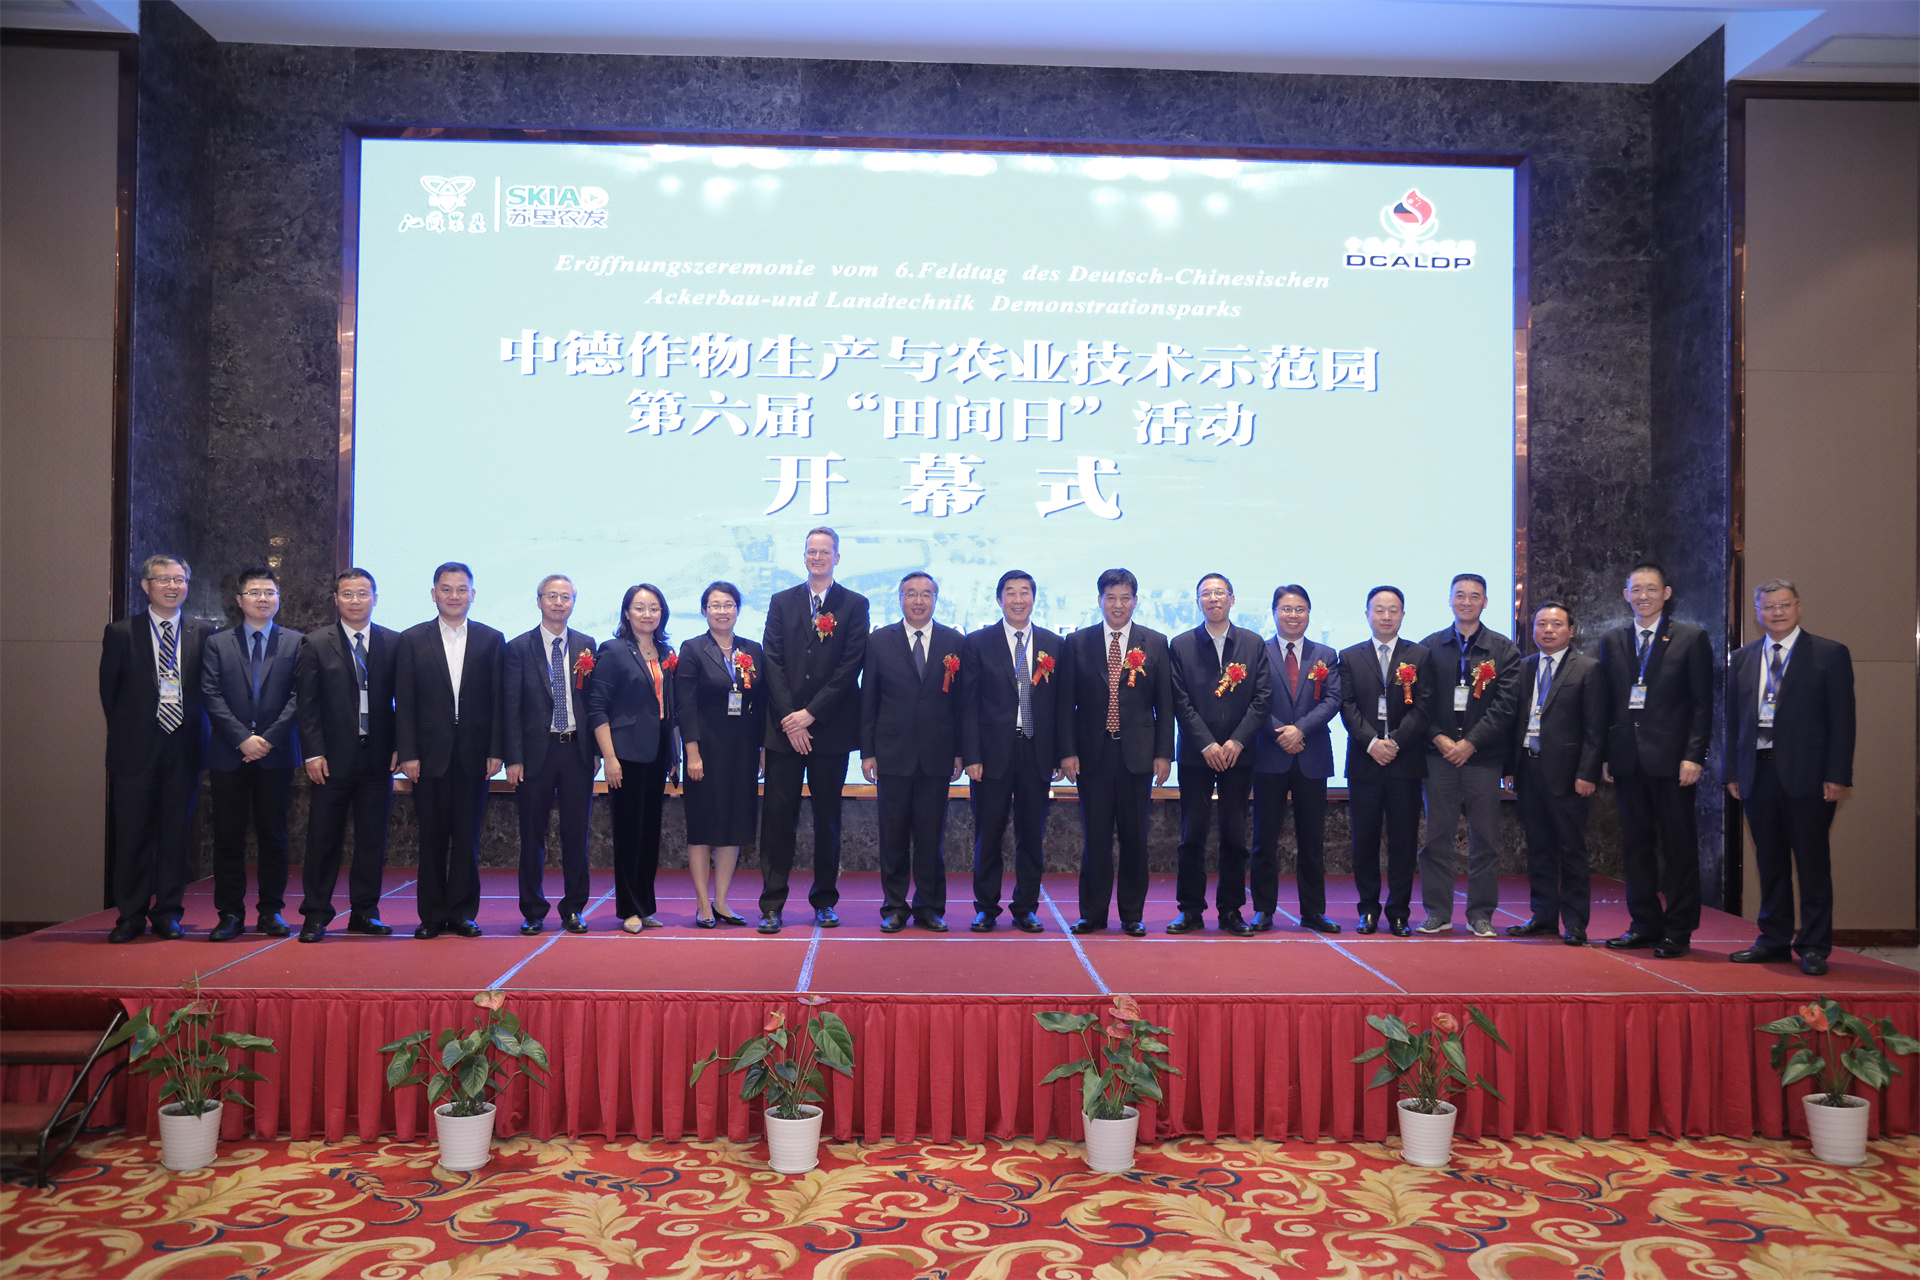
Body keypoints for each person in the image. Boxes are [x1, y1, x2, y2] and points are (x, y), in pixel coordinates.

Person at [1725, 579, 1855, 976]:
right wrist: (1733, 771)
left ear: (1798, 607)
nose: (1776, 613)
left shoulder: (1829, 653)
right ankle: (1774, 940)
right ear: (1757, 613)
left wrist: (1837, 774)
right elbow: (1734, 722)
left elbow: (1843, 721)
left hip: (1810, 777)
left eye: (1784, 605)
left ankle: (1814, 946)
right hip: (1757, 774)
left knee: (1812, 864)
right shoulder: (1743, 658)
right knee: (1770, 863)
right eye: (1768, 607)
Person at [758, 527, 870, 934]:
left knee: (828, 820)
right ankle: (772, 905)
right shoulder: (781, 601)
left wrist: (810, 715)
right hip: (783, 731)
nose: (817, 558)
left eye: (825, 552)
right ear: (804, 556)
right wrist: (791, 718)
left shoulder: (854, 604)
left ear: (837, 557)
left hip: (830, 731)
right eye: (811, 551)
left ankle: (824, 901)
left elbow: (850, 666)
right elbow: (771, 660)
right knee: (777, 820)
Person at [1599, 562, 1712, 959]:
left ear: (1666, 593)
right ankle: (1644, 924)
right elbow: (1609, 704)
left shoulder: (1691, 638)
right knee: (1636, 846)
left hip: (1674, 763)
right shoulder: (1612, 640)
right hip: (1627, 761)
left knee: (1678, 848)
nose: (1643, 595)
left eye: (1651, 588)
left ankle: (1678, 930)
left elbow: (1702, 705)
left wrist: (1693, 756)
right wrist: (1607, 755)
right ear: (1626, 595)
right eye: (1636, 589)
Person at [99, 555, 213, 942]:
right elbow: (109, 693)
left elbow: (209, 691)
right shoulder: (121, 632)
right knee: (132, 836)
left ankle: (168, 913)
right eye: (163, 579)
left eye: (179, 579)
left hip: (184, 748)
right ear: (146, 586)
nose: (172, 586)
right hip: (136, 751)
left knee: (175, 835)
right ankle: (130, 916)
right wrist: (134, 731)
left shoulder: (204, 632)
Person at [1059, 568, 1174, 936]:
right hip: (1091, 755)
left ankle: (1131, 914)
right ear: (1100, 601)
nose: (1118, 605)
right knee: (1095, 838)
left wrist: (1164, 753)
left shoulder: (1155, 642)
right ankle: (1092, 914)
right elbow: (1065, 705)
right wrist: (1067, 752)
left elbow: (1165, 705)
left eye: (1125, 598)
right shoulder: (1077, 642)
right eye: (1111, 597)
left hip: (1137, 756)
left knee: (1134, 838)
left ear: (1135, 601)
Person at [395, 562, 504, 940]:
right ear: (433, 594)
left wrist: (496, 750)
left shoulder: (492, 639)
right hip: (428, 756)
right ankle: (431, 915)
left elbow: (498, 701)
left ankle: (462, 913)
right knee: (431, 839)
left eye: (461, 589)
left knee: (467, 839)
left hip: (475, 755)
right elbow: (404, 702)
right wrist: (407, 753)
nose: (454, 596)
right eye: (446, 589)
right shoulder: (411, 639)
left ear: (473, 594)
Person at [295, 569, 399, 942]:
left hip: (378, 757)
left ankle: (365, 913)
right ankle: (315, 915)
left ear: (375, 598)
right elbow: (307, 705)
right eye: (348, 594)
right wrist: (312, 753)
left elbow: (403, 701)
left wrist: (400, 745)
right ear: (336, 599)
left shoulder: (393, 642)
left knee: (372, 840)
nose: (356, 600)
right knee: (323, 839)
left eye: (363, 593)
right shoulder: (315, 643)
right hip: (332, 759)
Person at [1415, 573, 1521, 938]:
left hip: (1483, 758)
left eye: (1474, 596)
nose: (1466, 602)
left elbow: (1506, 705)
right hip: (1438, 756)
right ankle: (1437, 912)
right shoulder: (1429, 647)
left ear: (1485, 602)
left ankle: (1480, 914)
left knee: (1486, 840)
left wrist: (1471, 743)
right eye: (1459, 595)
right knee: (1437, 840)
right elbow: (1419, 702)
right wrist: (1440, 739)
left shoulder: (1503, 649)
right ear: (1449, 600)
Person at [200, 566, 302, 941]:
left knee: (274, 836)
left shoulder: (296, 643)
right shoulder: (217, 643)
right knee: (228, 836)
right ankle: (229, 913)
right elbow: (210, 694)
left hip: (276, 754)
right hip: (229, 753)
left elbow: (300, 696)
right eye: (255, 592)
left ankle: (271, 911)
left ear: (278, 599)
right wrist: (243, 738)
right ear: (239, 600)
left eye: (270, 592)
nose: (263, 599)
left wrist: (267, 739)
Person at [960, 569, 1064, 934]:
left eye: (1024, 592)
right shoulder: (977, 642)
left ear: (1034, 598)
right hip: (990, 756)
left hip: (1037, 752)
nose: (1018, 600)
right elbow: (968, 705)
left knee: (1031, 836)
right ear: (999, 598)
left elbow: (1061, 706)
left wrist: (1060, 755)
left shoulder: (1054, 643)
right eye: (1010, 592)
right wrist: (971, 756)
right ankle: (986, 907)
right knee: (988, 834)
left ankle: (1025, 907)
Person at [1167, 573, 1271, 936]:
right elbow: (1180, 701)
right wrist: (1207, 744)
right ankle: (1190, 910)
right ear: (1197, 602)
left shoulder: (1253, 643)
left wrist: (1237, 741)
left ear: (1232, 599)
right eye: (1206, 594)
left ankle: (1231, 910)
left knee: (1234, 835)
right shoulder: (1181, 645)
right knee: (1191, 835)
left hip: (1239, 755)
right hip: (1197, 754)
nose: (1213, 599)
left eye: (1219, 592)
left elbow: (1262, 698)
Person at [860, 571, 964, 932]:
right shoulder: (878, 641)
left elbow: (961, 703)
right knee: (893, 836)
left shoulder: (955, 641)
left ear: (936, 599)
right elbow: (869, 699)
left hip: (937, 754)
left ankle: (930, 907)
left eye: (926, 594)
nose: (918, 600)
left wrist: (960, 752)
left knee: (931, 837)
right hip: (892, 753)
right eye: (911, 594)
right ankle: (894, 906)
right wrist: (868, 751)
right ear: (900, 598)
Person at [1503, 601, 1606, 945]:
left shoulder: (1588, 668)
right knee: (1538, 848)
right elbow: (1515, 722)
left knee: (1571, 850)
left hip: (1569, 774)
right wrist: (1510, 768)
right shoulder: (1524, 667)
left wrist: (1587, 773)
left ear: (1571, 630)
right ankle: (1543, 917)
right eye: (1542, 624)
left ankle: (1575, 922)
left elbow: (1595, 727)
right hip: (1528, 768)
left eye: (1556, 624)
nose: (1548, 630)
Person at [503, 575, 598, 936]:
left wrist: (596, 751)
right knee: (532, 836)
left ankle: (574, 908)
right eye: (552, 596)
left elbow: (593, 703)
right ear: (539, 600)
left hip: (577, 751)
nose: (559, 603)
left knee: (576, 835)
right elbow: (511, 707)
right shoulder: (518, 647)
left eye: (566, 597)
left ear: (574, 602)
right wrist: (513, 758)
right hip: (534, 755)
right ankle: (533, 910)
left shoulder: (587, 645)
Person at [1339, 586, 1433, 937]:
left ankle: (1398, 912)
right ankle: (1367, 910)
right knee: (1364, 840)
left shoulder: (1419, 655)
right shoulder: (1349, 656)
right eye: (1379, 609)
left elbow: (1423, 706)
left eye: (1393, 610)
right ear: (1367, 614)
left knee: (1403, 841)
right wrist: (1371, 743)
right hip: (1364, 763)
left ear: (1403, 615)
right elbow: (1347, 707)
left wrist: (1393, 742)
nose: (1386, 616)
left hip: (1404, 762)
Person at [1252, 584, 1342, 933]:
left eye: (1300, 609)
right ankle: (1263, 909)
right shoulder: (1258, 651)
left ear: (1309, 613)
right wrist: (1281, 733)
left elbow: (1332, 699)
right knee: (1264, 839)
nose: (1293, 615)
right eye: (1286, 609)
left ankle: (1314, 911)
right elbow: (1253, 699)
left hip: (1311, 755)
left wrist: (1299, 730)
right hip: (1269, 755)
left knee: (1312, 840)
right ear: (1274, 612)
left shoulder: (1326, 654)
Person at [677, 582, 765, 929]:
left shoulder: (752, 649)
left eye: (728, 604)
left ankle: (722, 901)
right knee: (703, 827)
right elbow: (685, 705)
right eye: (715, 605)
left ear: (738, 610)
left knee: (734, 826)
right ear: (704, 611)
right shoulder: (693, 649)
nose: (722, 611)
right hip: (706, 750)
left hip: (742, 750)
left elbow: (762, 703)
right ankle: (702, 903)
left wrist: (762, 748)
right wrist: (692, 753)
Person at [589, 583, 676, 934]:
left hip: (656, 754)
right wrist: (609, 757)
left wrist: (673, 754)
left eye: (654, 608)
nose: (647, 614)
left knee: (649, 832)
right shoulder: (612, 651)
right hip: (624, 754)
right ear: (627, 613)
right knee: (628, 833)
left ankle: (645, 906)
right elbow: (597, 707)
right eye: (639, 608)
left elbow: (669, 708)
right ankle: (629, 909)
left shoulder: (666, 651)